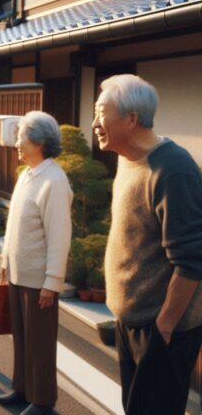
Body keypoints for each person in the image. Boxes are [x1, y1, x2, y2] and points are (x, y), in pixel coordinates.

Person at [93, 74, 202, 415]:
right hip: (132, 320)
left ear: (131, 119)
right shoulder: (128, 158)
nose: (95, 123)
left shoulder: (172, 169)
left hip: (162, 326)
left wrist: (164, 326)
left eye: (101, 113)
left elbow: (192, 260)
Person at [0, 111, 73, 415]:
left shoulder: (54, 180)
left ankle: (43, 401)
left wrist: (52, 282)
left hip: (39, 279)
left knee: (40, 343)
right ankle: (23, 388)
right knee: (22, 337)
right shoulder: (28, 174)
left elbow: (59, 236)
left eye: (20, 136)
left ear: (38, 141)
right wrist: (4, 260)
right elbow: (15, 224)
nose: (16, 142)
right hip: (18, 272)